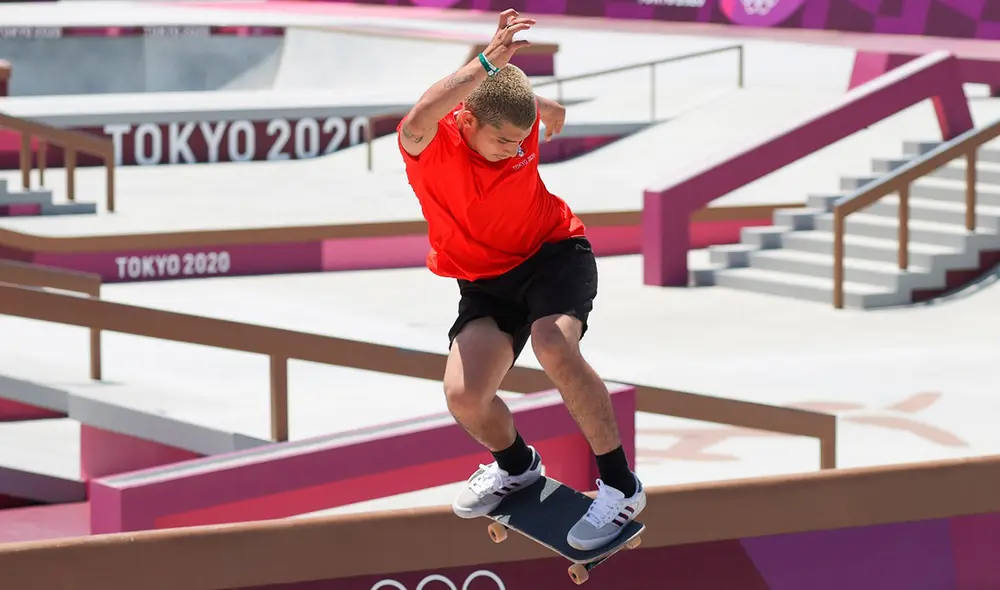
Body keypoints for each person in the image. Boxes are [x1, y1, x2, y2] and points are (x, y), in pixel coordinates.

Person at [396, 8, 646, 551]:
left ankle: (621, 487)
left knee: (553, 343)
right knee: (465, 396)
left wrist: (544, 106)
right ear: (465, 122)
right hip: (486, 282)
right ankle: (517, 466)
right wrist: (486, 59)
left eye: (522, 138)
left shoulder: (517, 120)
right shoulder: (429, 147)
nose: (517, 148)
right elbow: (424, 110)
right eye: (503, 141)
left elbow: (515, 105)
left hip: (554, 253)